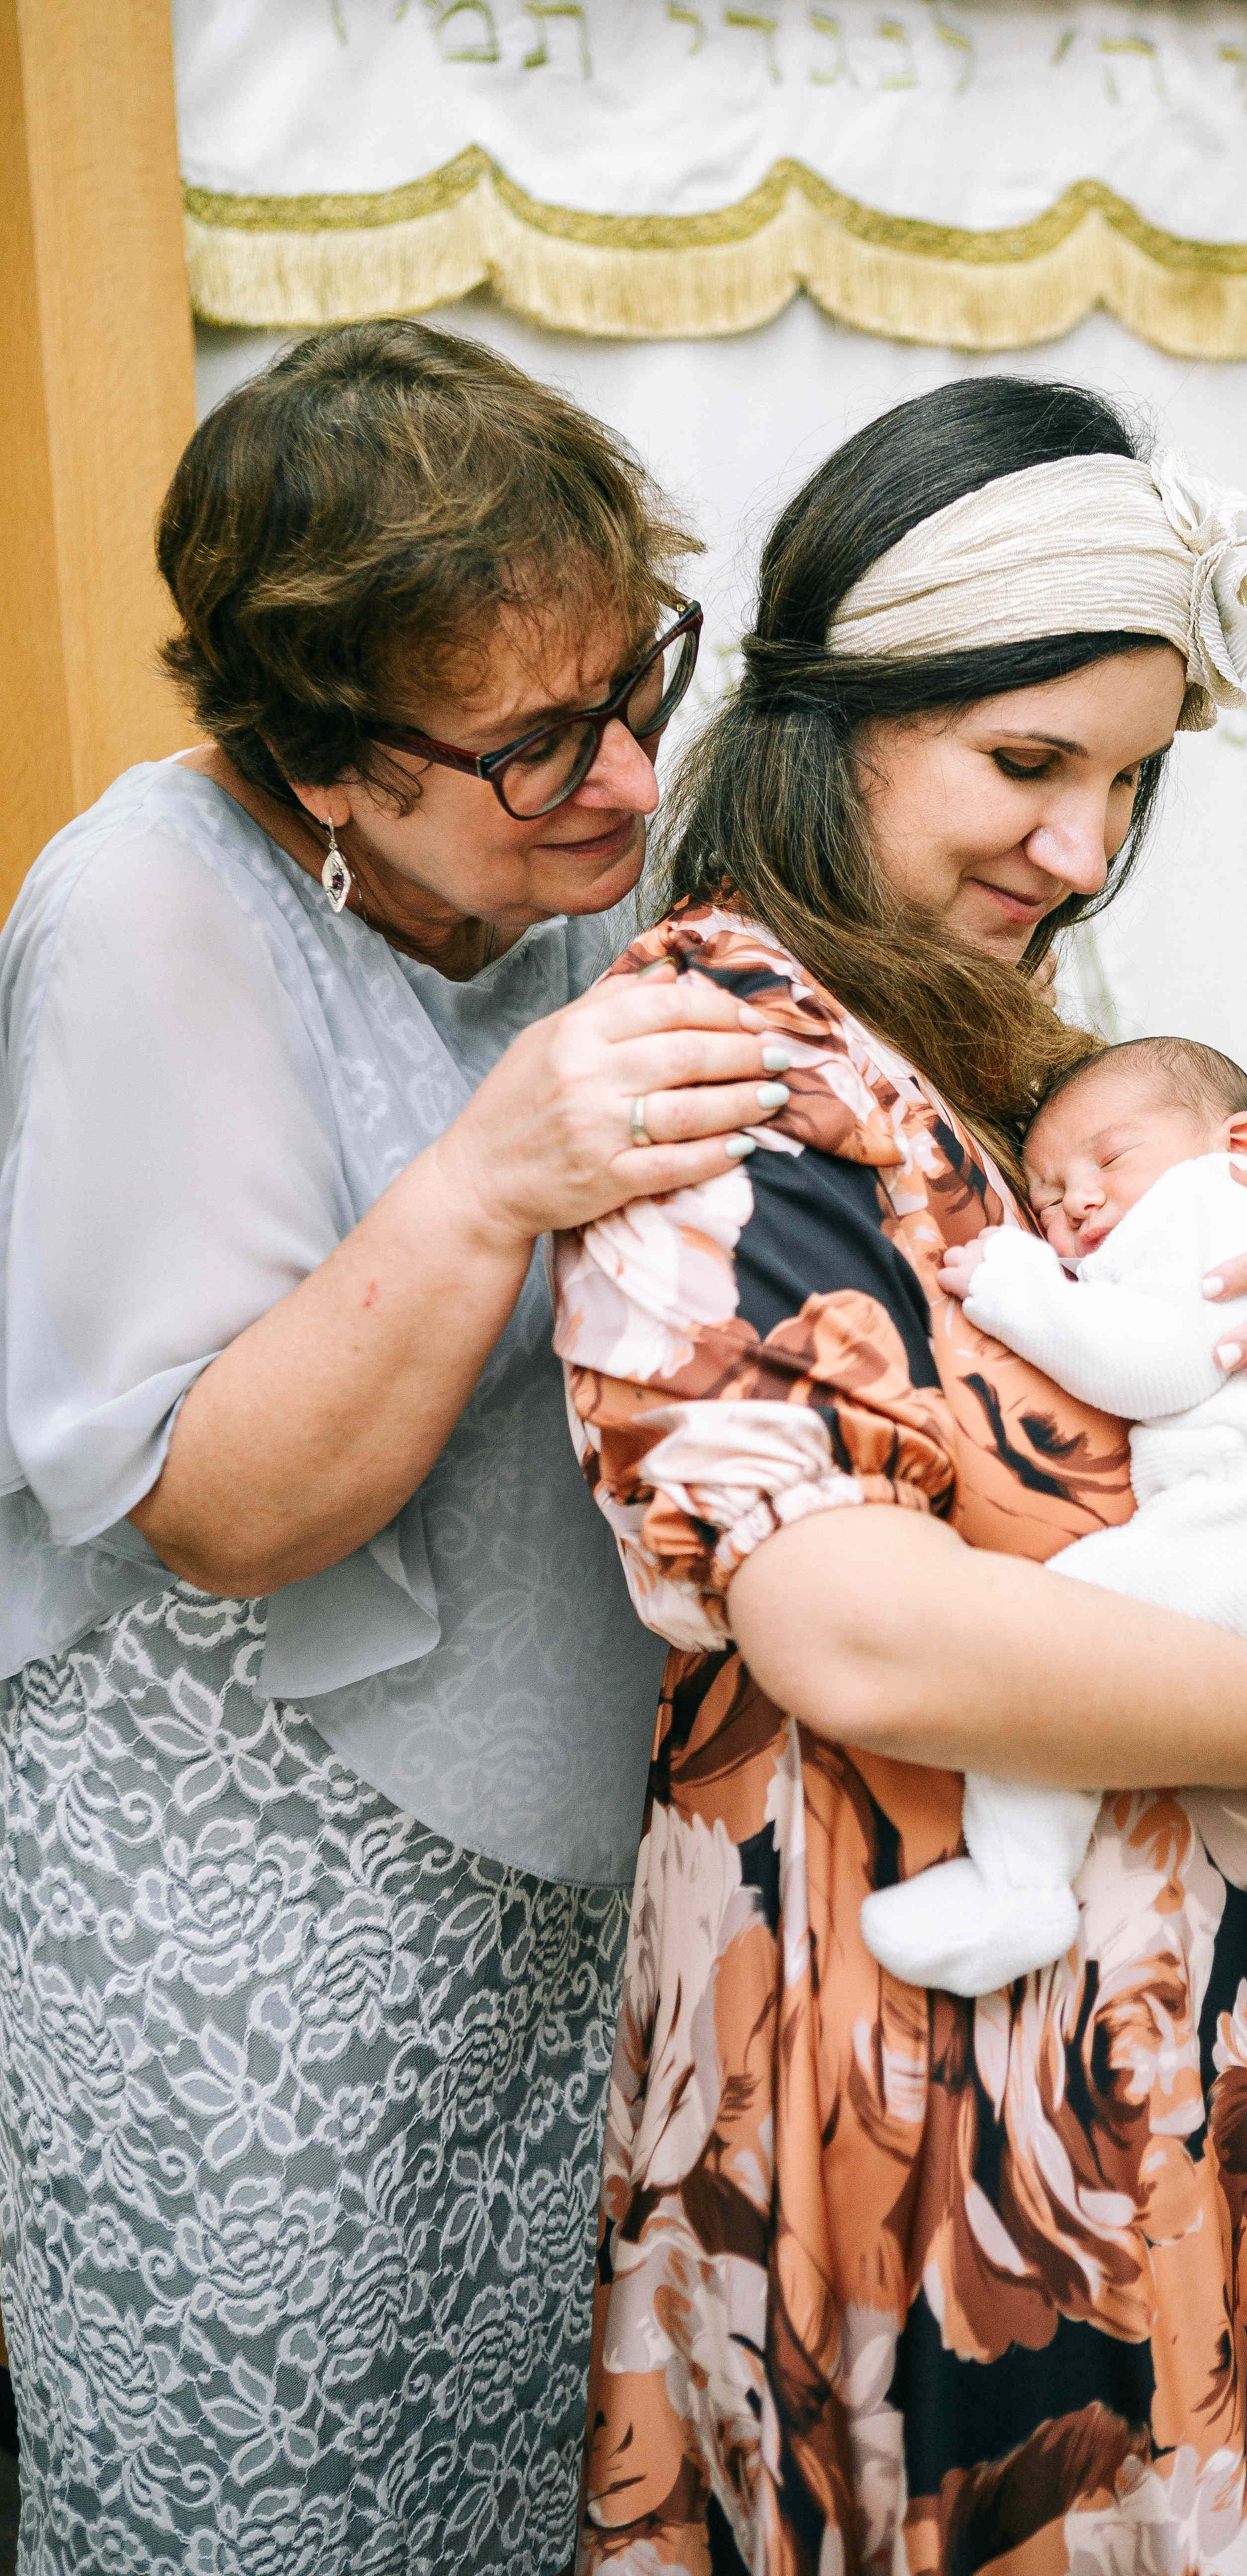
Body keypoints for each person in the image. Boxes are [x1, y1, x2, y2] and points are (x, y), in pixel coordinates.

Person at [556, 378, 1247, 2575]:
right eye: (1027, 763)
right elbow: (850, 1617)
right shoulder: (723, 1057)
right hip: (933, 2080)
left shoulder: (981, 1025)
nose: (1081, 848)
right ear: (838, 721)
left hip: (1144, 2044)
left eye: (1130, 780)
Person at [0, 321, 792, 2575]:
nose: (633, 783)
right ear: (328, 764)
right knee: (257, 2509)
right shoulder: (143, 914)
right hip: (240, 1939)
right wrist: (482, 1179)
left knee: (513, 2481)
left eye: (640, 686)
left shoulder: (574, 858)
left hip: (543, 1885)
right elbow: (225, 1505)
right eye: (544, 747)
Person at [862, 1033, 1247, 2001]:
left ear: (1241, 1143)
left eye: (1109, 1158)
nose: (1074, 1200)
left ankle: (1020, 1885)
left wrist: (1022, 1286)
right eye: (1044, 1197)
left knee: (1065, 1626)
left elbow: (1162, 1364)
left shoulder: (1212, 1204)